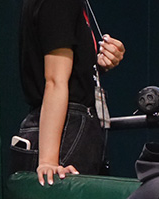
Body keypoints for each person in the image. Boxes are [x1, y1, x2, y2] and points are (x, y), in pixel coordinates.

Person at [14, 0, 125, 185]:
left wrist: (98, 64)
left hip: (68, 128)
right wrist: (48, 160)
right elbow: (55, 81)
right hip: (66, 131)